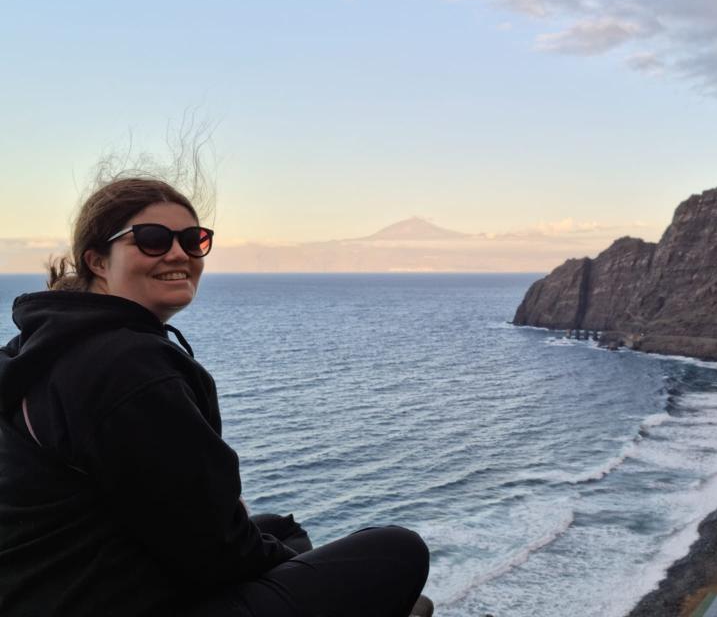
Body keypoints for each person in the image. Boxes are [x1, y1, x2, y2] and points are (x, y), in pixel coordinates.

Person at [0, 177, 432, 617]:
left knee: (283, 530)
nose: (177, 254)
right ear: (98, 261)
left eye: (193, 240)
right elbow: (215, 550)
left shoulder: (42, 348)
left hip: (54, 586)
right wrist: (299, 573)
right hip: (105, 599)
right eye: (151, 239)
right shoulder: (126, 364)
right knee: (397, 552)